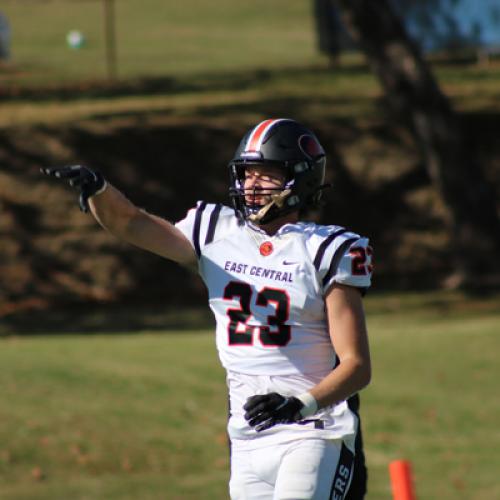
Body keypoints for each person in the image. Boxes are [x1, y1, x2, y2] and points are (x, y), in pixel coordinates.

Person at [42, 118, 373, 499]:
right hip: (248, 433)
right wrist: (99, 190)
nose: (252, 185)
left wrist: (300, 405)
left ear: (300, 179)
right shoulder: (216, 231)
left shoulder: (326, 249)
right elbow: (132, 223)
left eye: (266, 174)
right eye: (247, 174)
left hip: (313, 428)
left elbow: (356, 366)